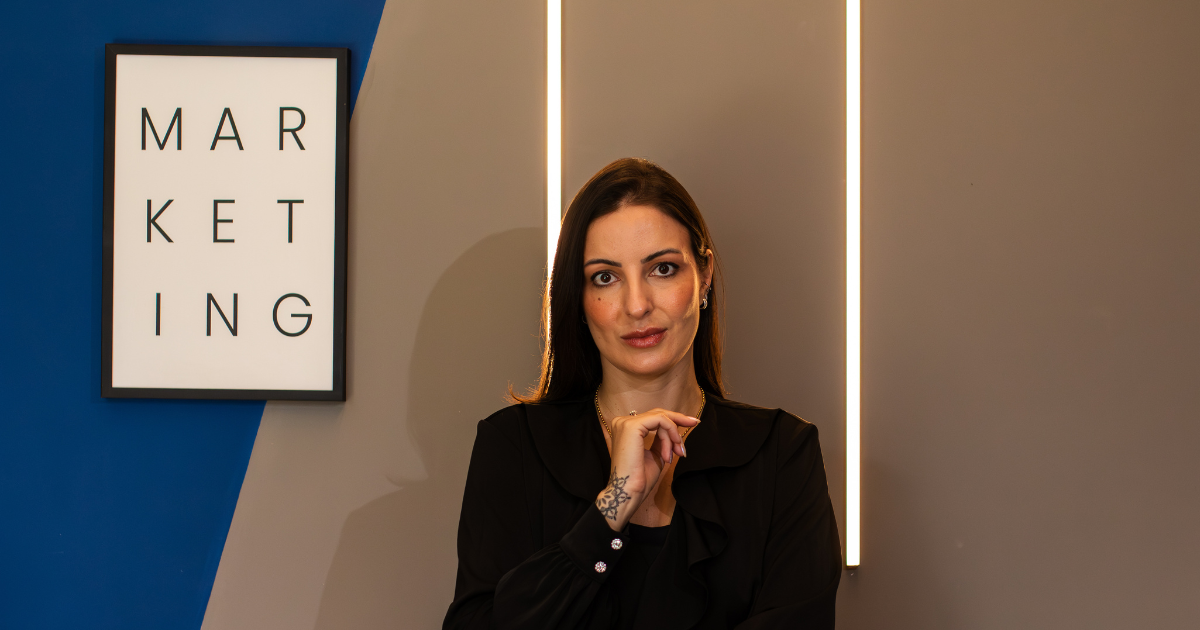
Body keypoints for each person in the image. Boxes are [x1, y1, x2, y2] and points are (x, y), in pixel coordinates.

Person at [443, 158, 841, 629]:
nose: (636, 305)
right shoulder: (513, 446)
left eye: (663, 269)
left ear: (704, 276)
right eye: (605, 277)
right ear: (578, 298)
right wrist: (612, 506)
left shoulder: (782, 454)